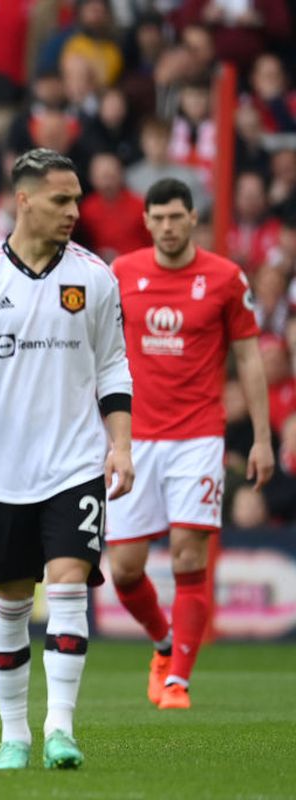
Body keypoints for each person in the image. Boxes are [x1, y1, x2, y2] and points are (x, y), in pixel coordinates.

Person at [0, 148, 134, 771]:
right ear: (23, 200)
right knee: (12, 602)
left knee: (70, 587)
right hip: (5, 470)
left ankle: (60, 730)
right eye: (60, 200)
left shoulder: (95, 277)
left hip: (76, 465)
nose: (74, 211)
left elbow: (113, 368)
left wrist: (121, 444)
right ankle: (14, 735)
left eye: (76, 199)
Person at [107, 178, 273, 710]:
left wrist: (263, 440)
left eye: (177, 216)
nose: (168, 226)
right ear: (147, 221)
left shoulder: (225, 279)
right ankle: (161, 643)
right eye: (158, 218)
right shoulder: (122, 274)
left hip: (199, 435)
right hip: (135, 437)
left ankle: (178, 678)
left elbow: (248, 358)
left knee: (187, 553)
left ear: (193, 218)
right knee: (125, 568)